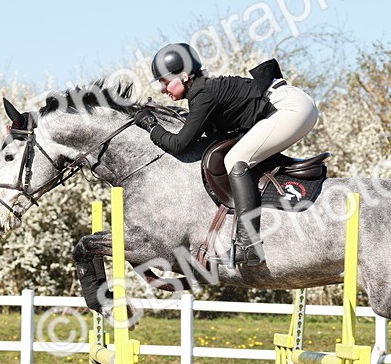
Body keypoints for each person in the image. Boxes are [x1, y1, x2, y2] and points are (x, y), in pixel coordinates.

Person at [132, 43, 319, 268]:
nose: (162, 89)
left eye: (164, 81)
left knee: (235, 160)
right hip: (293, 105)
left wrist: (151, 126)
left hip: (291, 108)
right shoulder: (202, 91)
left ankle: (247, 245)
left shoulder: (203, 93)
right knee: (240, 154)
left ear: (183, 76)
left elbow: (179, 144)